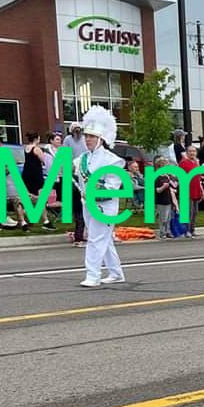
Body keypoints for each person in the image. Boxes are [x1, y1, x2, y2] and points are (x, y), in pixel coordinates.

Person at [74, 106, 126, 287]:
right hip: (86, 204)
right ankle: (116, 272)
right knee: (104, 239)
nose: (87, 139)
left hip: (105, 206)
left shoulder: (112, 160)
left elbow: (113, 186)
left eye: (91, 137)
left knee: (96, 238)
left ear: (100, 139)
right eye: (86, 136)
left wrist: (96, 189)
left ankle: (93, 275)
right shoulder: (82, 159)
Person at [21, 132, 51, 228]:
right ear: (36, 139)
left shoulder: (26, 148)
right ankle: (45, 221)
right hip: (36, 175)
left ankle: (29, 216)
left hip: (26, 174)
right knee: (41, 198)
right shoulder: (36, 149)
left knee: (31, 197)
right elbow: (44, 160)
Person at [178, 145, 203, 237]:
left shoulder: (196, 163)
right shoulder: (183, 163)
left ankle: (192, 229)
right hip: (187, 191)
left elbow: (199, 178)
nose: (192, 153)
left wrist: (202, 191)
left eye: (194, 151)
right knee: (188, 211)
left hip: (196, 190)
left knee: (195, 212)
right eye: (190, 151)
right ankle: (186, 230)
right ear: (187, 152)